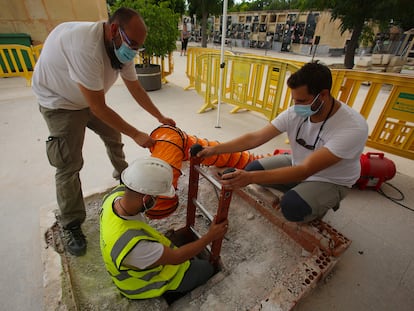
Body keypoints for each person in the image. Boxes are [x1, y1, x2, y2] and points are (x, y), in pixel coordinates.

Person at [32, 7, 176, 256]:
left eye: (138, 46)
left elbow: (135, 88)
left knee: (113, 137)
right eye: (131, 43)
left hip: (89, 99)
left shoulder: (123, 48)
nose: (133, 51)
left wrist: (160, 117)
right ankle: (72, 224)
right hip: (60, 103)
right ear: (113, 30)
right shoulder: (84, 46)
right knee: (69, 164)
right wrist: (137, 133)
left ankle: (125, 181)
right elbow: (99, 107)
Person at [197, 62, 368, 223]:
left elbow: (305, 170)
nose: (296, 105)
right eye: (294, 99)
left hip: (331, 179)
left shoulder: (352, 127)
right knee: (252, 170)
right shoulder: (296, 112)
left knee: (292, 208)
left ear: (323, 94)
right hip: (298, 164)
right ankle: (301, 191)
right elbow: (256, 138)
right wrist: (214, 150)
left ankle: (317, 202)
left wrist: (249, 178)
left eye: (301, 101)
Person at [100, 157, 228, 302]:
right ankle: (170, 294)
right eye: (156, 197)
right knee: (206, 269)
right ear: (146, 198)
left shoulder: (113, 197)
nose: (157, 200)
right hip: (140, 285)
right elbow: (177, 257)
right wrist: (210, 236)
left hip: (139, 262)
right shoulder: (134, 246)